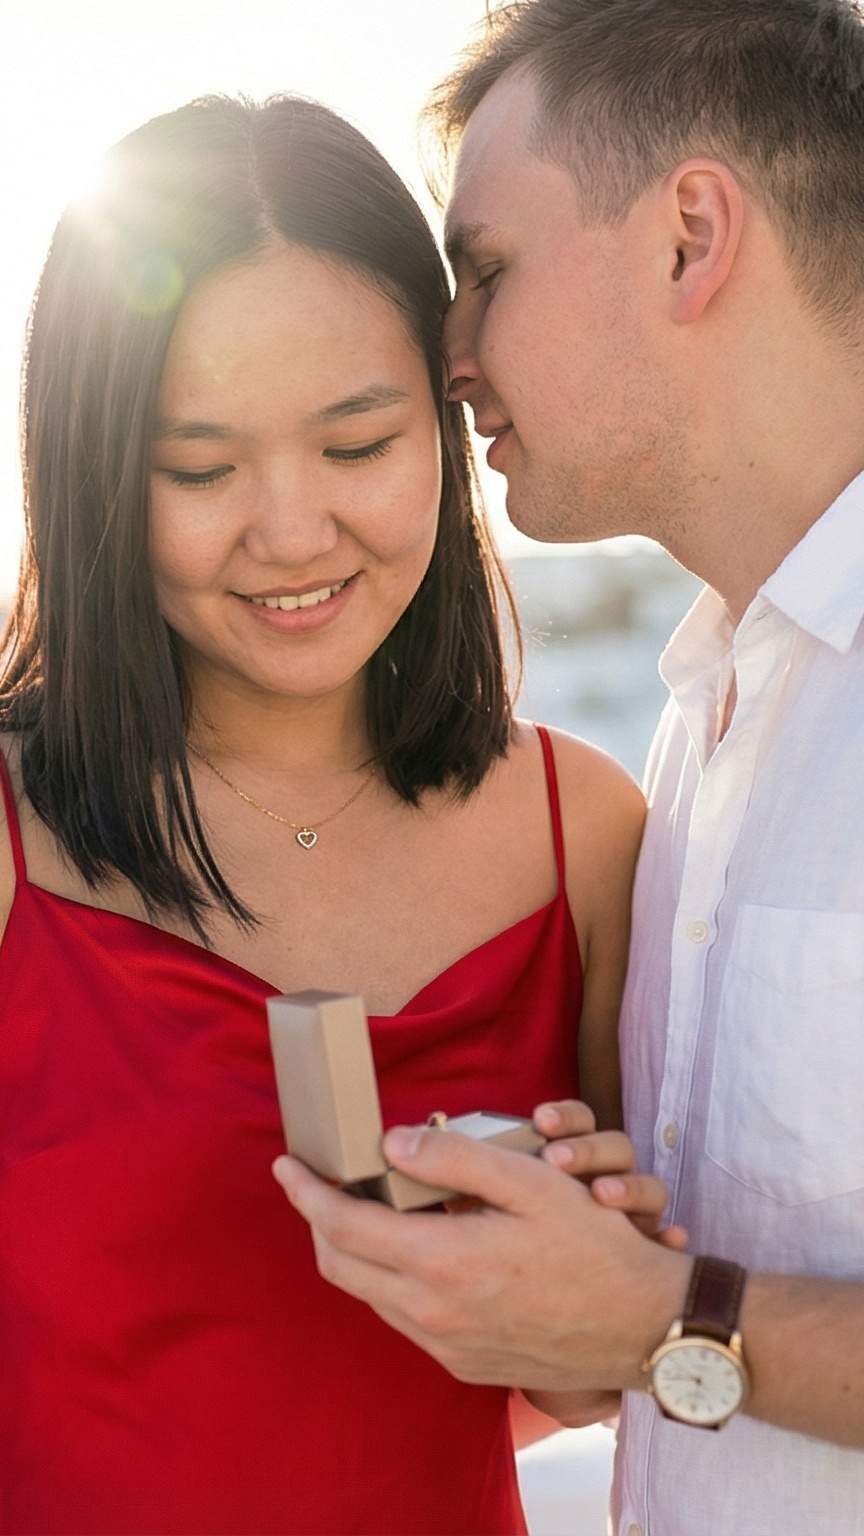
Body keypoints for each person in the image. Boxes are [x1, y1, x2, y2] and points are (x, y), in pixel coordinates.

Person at [0, 92, 679, 1535]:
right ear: (91, 473)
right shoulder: (13, 840)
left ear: (450, 417)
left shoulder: (588, 835)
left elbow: (570, 1386)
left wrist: (586, 1289)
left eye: (360, 445)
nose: (294, 532)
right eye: (199, 469)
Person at [275, 2, 864, 1532]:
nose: (447, 354)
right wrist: (576, 1259)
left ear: (688, 237)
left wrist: (666, 1315)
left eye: (486, 270)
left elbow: (680, 1317)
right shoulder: (704, 712)